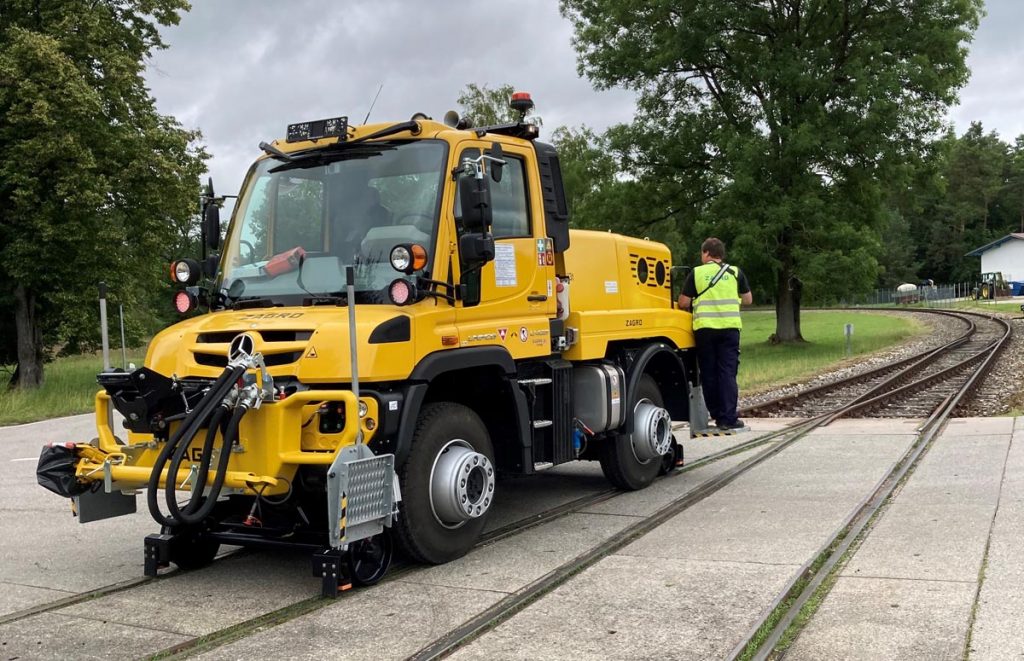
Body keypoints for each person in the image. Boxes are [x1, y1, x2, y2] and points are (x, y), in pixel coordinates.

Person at [678, 237, 752, 431]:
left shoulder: (697, 273)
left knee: (709, 374)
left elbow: (683, 303)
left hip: (705, 331)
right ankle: (729, 418)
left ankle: (717, 416)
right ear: (721, 255)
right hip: (729, 330)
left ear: (706, 253)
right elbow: (748, 299)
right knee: (728, 373)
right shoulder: (735, 272)